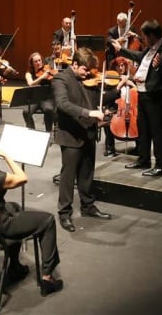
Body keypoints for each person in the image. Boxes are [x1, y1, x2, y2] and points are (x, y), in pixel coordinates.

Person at [0, 126, 64, 296]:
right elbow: (23, 177)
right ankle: (47, 277)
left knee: (14, 207)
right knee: (47, 220)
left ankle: (15, 266)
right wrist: (7, 156)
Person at [52, 47, 112, 233]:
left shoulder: (87, 80)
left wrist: (105, 107)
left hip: (88, 132)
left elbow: (95, 99)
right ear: (75, 64)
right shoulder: (61, 79)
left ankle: (88, 206)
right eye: (86, 69)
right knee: (68, 177)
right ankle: (64, 213)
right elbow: (63, 104)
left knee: (87, 173)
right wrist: (89, 112)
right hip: (70, 135)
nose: (88, 74)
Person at [110, 19, 162, 177]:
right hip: (143, 93)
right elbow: (139, 56)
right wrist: (121, 50)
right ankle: (144, 159)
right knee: (144, 130)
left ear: (152, 35)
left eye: (144, 36)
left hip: (156, 97)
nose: (143, 38)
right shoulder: (150, 48)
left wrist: (158, 66)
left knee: (158, 132)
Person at [102, 57, 138, 157]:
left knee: (141, 120)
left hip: (130, 107)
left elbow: (138, 94)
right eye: (118, 66)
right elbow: (108, 97)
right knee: (107, 118)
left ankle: (139, 147)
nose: (121, 68)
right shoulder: (111, 81)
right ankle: (110, 148)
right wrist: (121, 83)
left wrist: (132, 85)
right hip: (115, 107)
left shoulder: (130, 79)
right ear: (114, 67)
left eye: (123, 65)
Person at [22, 52, 55, 132]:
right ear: (32, 63)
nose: (38, 63)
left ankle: (48, 132)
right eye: (35, 61)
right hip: (34, 98)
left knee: (49, 109)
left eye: (39, 60)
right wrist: (42, 77)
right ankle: (33, 131)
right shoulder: (29, 73)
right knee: (26, 112)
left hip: (46, 98)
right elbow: (30, 84)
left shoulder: (47, 70)